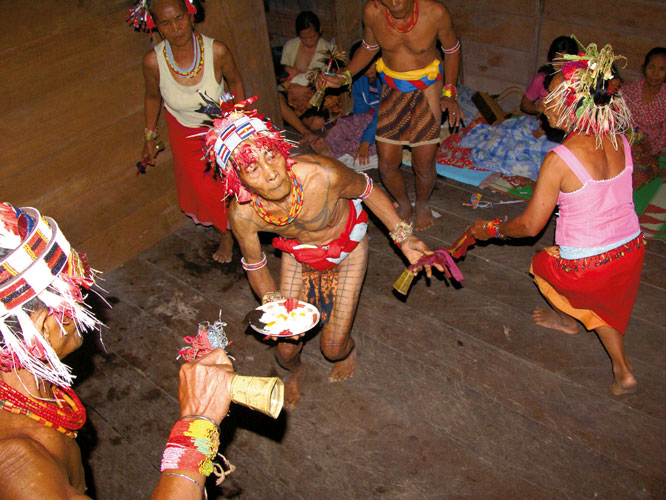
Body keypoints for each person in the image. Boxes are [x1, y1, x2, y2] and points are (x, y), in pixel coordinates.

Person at [201, 98, 442, 408]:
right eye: (252, 168)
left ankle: (349, 351)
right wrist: (273, 306)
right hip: (298, 254)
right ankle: (296, 373)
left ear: (281, 150)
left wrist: (404, 238)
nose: (271, 173)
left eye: (271, 155)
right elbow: (255, 264)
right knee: (286, 349)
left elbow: (367, 190)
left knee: (333, 347)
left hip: (347, 247)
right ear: (238, 181)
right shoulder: (243, 215)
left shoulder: (322, 174)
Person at [0, 201, 237, 500]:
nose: (83, 302)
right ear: (42, 327)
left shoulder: (22, 395)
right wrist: (197, 426)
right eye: (73, 295)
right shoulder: (16, 465)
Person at [469, 41, 643, 396]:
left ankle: (566, 318)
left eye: (549, 98)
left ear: (572, 106)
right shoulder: (621, 138)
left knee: (542, 264)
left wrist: (492, 229)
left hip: (588, 266)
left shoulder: (560, 159)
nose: (541, 106)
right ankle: (622, 370)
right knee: (602, 306)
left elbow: (530, 227)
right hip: (632, 252)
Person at [324, 0, 462, 231]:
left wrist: (450, 92)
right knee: (387, 164)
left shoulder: (435, 13)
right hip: (391, 88)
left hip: (427, 89)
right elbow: (369, 46)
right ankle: (405, 203)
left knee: (424, 163)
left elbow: (452, 50)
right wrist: (344, 75)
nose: (394, 2)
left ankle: (423, 205)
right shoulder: (373, 12)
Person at [141, 0, 246, 263]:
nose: (175, 28)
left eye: (179, 18)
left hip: (221, 125)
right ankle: (228, 231)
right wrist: (149, 136)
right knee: (205, 189)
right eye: (165, 23)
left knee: (231, 184)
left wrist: (239, 120)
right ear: (157, 26)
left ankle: (235, 232)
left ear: (191, 15)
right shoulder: (153, 61)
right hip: (183, 131)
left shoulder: (217, 51)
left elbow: (235, 82)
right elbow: (153, 98)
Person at [312, 41, 382, 166]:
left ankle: (334, 156)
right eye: (364, 64)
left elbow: (382, 112)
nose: (368, 68)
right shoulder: (360, 80)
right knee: (339, 129)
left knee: (371, 145)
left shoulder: (385, 80)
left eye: (372, 62)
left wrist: (365, 141)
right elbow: (360, 110)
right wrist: (357, 126)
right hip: (366, 119)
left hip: (382, 119)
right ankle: (331, 152)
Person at [622, 47, 666, 156]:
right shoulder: (629, 90)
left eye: (662, 69)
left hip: (647, 150)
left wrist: (644, 148)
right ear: (644, 68)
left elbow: (663, 135)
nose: (655, 74)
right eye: (651, 67)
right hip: (623, 143)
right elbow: (615, 117)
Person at [520, 36, 578, 116]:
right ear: (551, 59)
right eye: (557, 61)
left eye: (565, 62)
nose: (560, 66)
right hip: (544, 126)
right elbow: (525, 104)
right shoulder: (542, 78)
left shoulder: (578, 82)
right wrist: (540, 109)